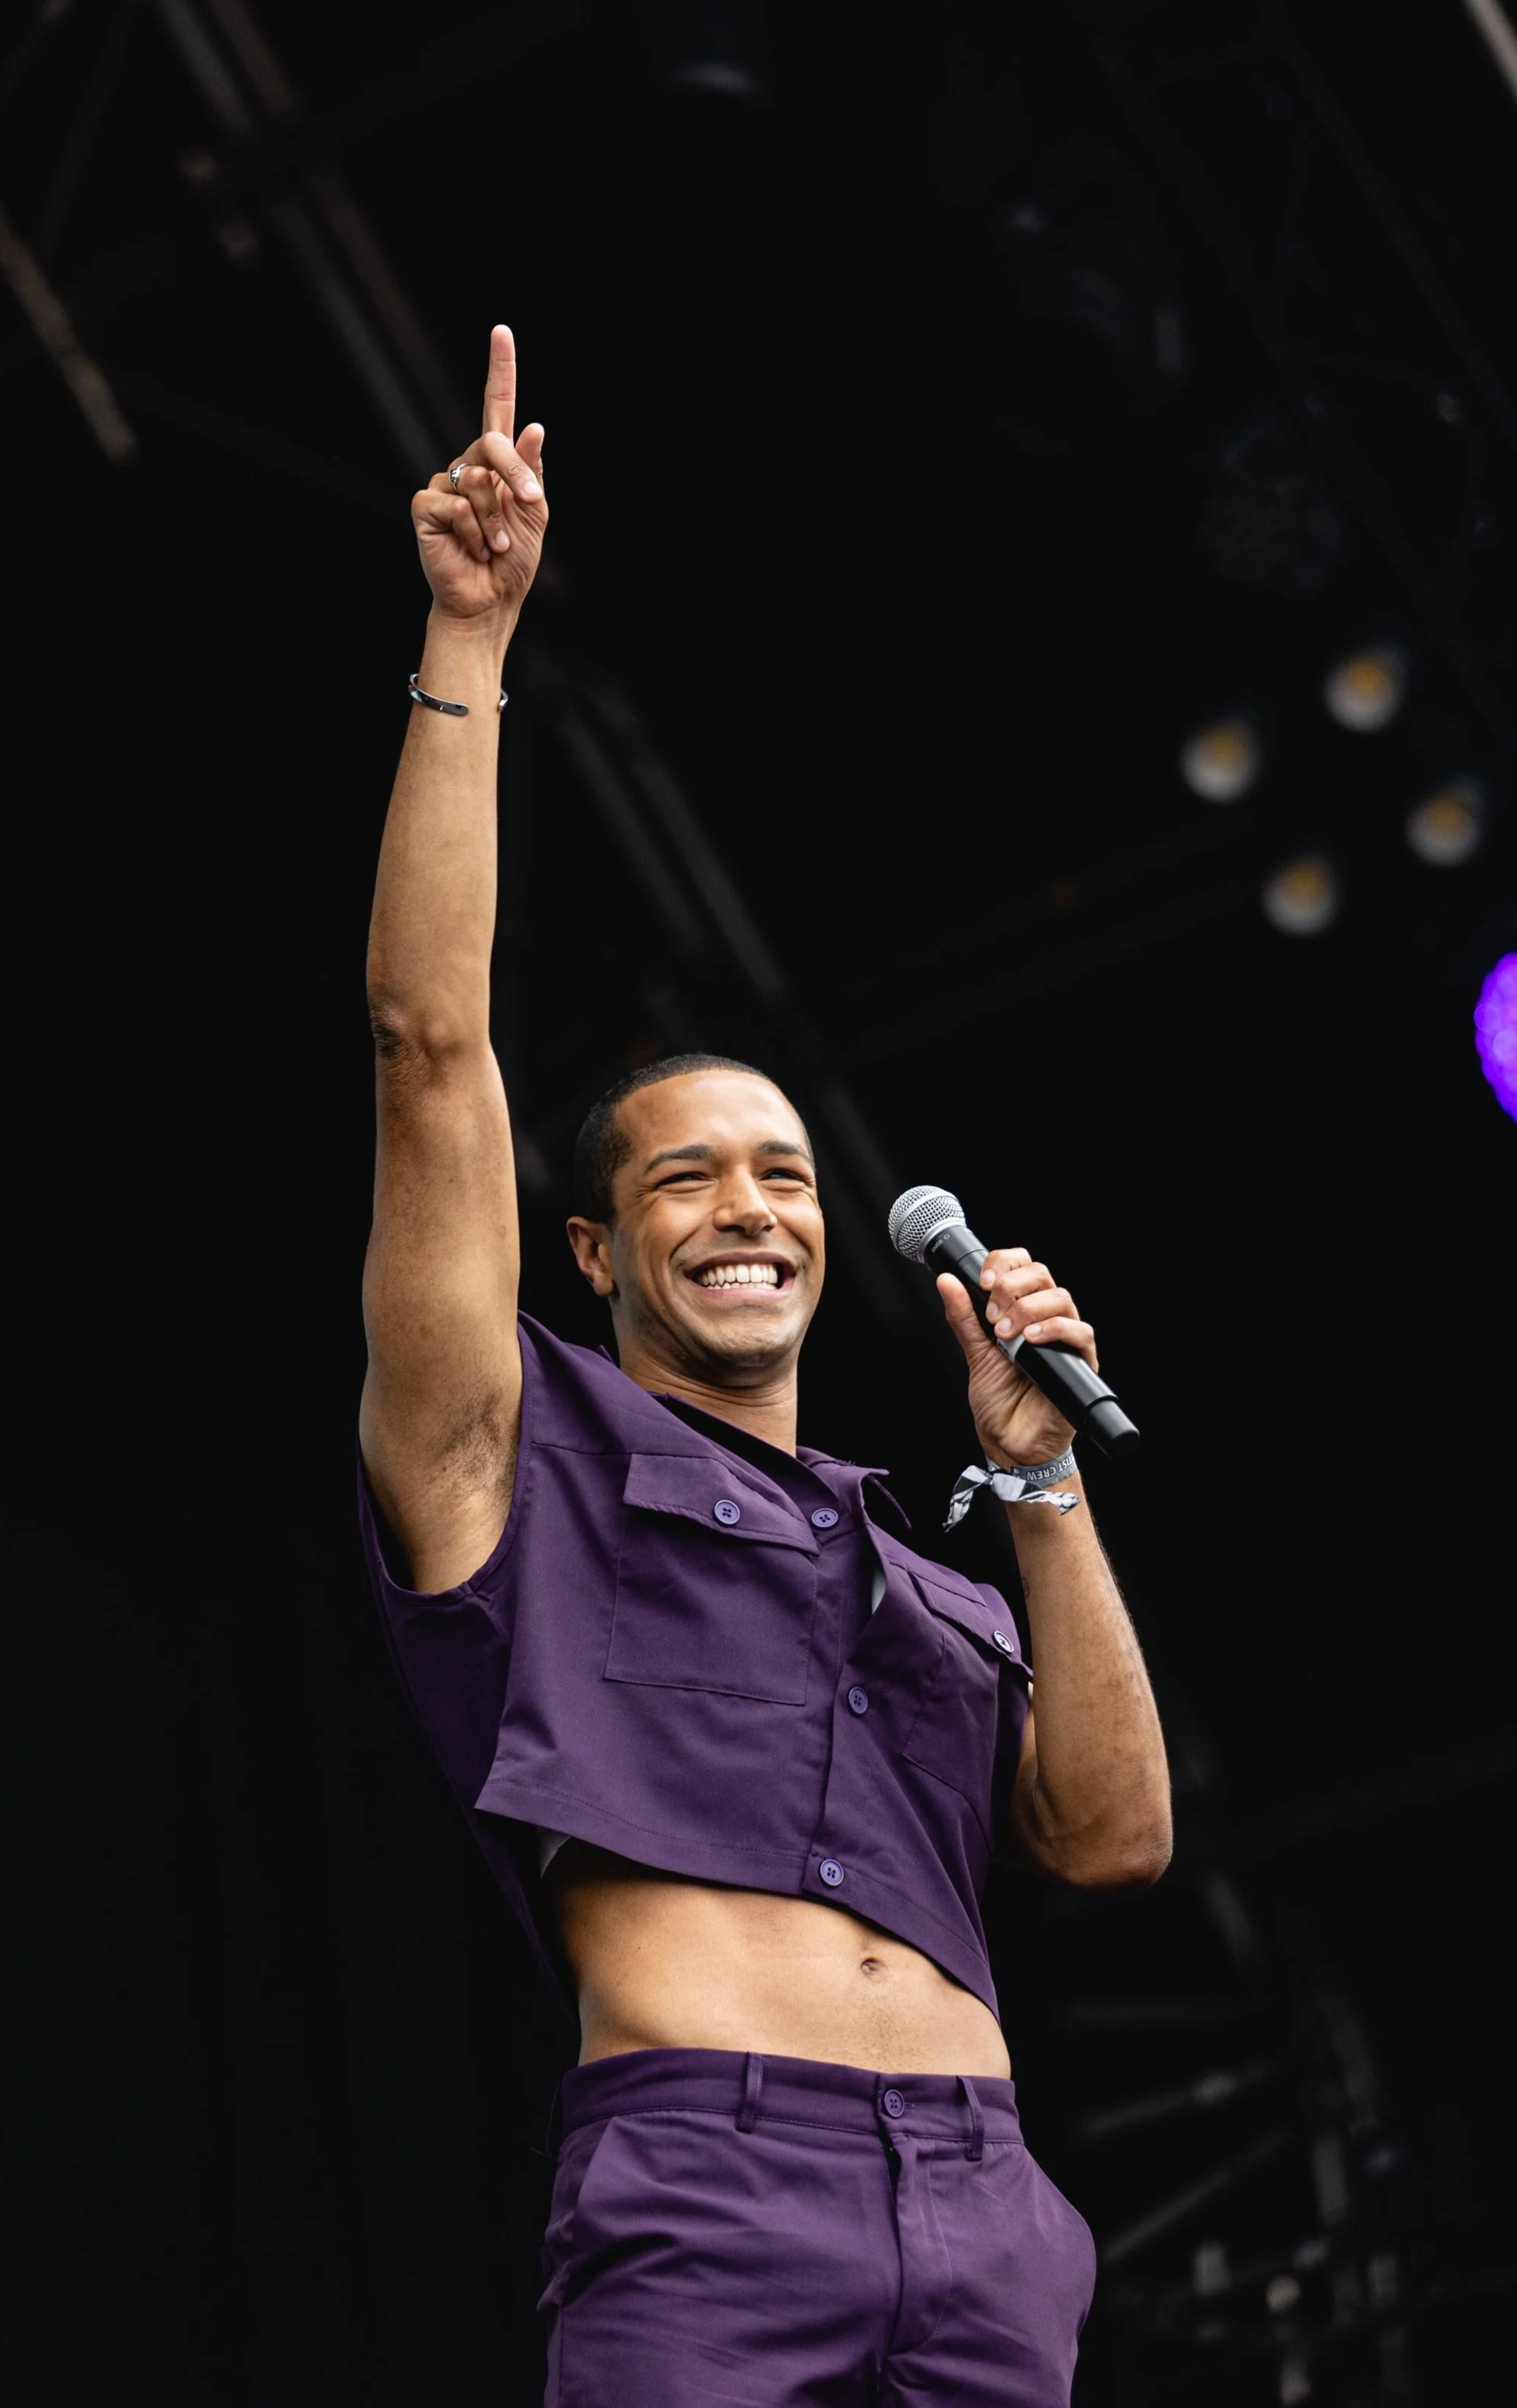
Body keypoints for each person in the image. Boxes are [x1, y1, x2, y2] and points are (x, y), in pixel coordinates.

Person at [357, 326, 1173, 2406]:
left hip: (994, 2213)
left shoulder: (924, 1557)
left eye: (790, 1172)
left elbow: (1111, 1836)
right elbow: (434, 1052)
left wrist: (1045, 1482)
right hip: (716, 2191)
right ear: (595, 1244)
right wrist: (472, 648)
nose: (753, 1204)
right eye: (693, 1173)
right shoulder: (509, 1452)